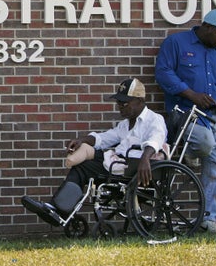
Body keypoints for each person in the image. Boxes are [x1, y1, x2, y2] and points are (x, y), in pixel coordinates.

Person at [21, 78, 167, 226]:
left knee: (83, 167)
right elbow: (105, 138)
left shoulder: (154, 120)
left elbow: (156, 140)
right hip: (118, 163)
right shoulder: (125, 124)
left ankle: (59, 210)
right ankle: (58, 209)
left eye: (124, 103)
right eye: (118, 103)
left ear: (140, 100)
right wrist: (82, 140)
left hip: (134, 168)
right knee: (81, 164)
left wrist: (145, 159)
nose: (120, 107)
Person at [155, 9, 216, 233]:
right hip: (186, 112)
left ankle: (208, 218)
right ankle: (191, 154)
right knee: (205, 144)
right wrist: (191, 94)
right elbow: (163, 72)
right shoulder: (176, 43)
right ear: (208, 28)